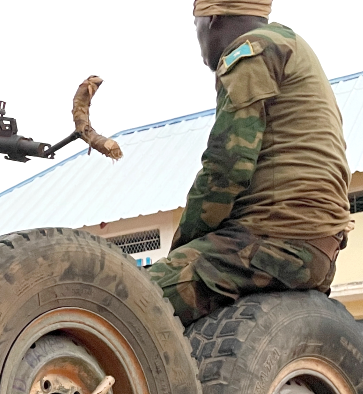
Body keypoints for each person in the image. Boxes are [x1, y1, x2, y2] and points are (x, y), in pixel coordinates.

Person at [148, 0, 353, 326]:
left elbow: (226, 167)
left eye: (195, 25)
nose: (198, 37)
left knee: (130, 297)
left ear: (212, 18)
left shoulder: (252, 50)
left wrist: (180, 249)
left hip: (276, 243)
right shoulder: (291, 45)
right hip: (314, 249)